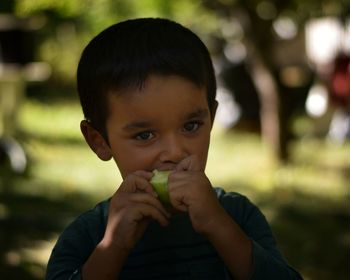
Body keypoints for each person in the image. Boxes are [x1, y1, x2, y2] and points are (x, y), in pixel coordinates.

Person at [46, 18, 302, 280]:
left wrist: (219, 226)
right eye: (145, 135)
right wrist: (113, 246)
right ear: (99, 141)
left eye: (191, 126)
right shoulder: (88, 235)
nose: (175, 151)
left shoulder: (237, 216)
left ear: (211, 119)